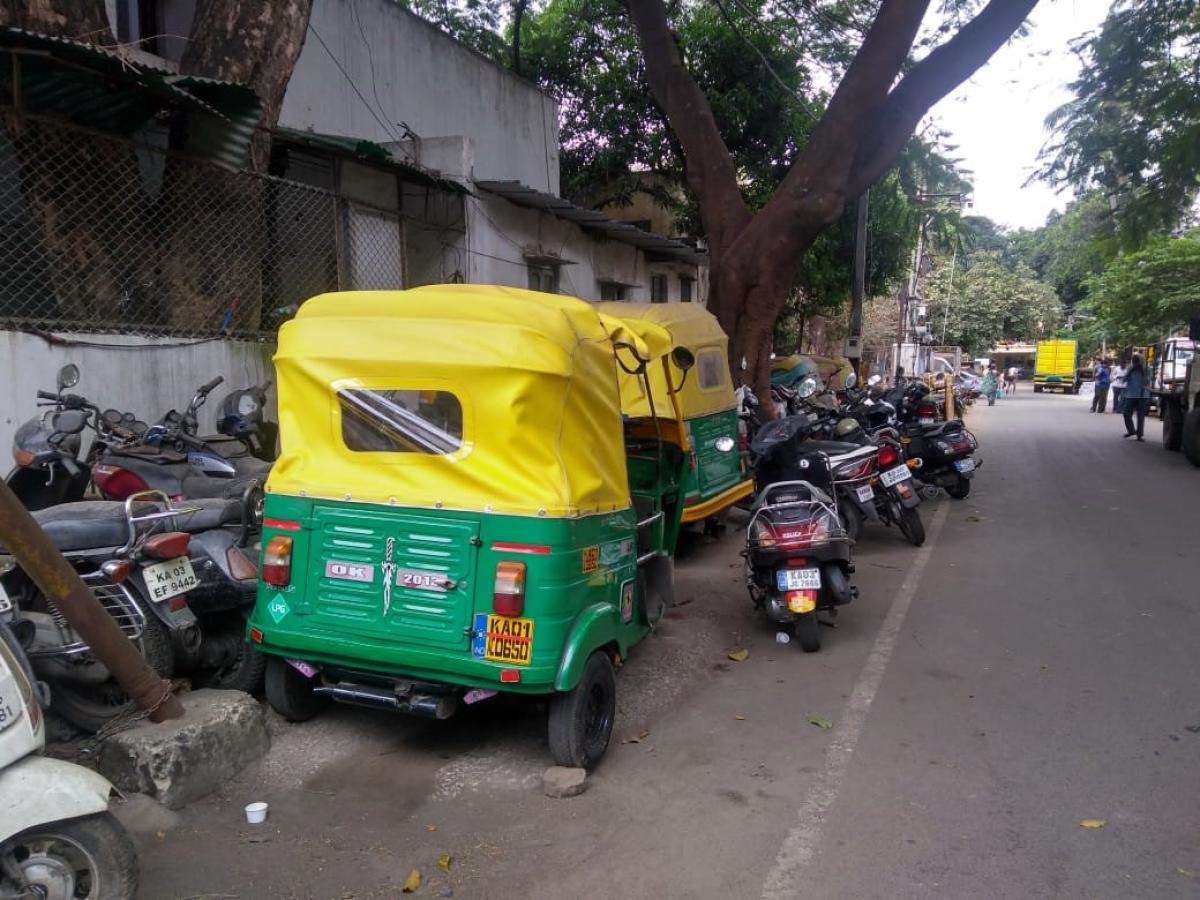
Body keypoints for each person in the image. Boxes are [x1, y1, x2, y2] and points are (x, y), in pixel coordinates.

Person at [1122, 353, 1151, 440]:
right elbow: (1124, 379)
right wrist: (1130, 371)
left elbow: (1147, 382)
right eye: (1134, 361)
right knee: (1126, 414)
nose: (1135, 363)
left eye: (1137, 361)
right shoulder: (1130, 369)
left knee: (1140, 416)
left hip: (1142, 395)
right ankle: (1131, 431)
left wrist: (1142, 372)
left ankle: (1139, 435)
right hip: (1130, 394)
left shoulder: (1147, 369)